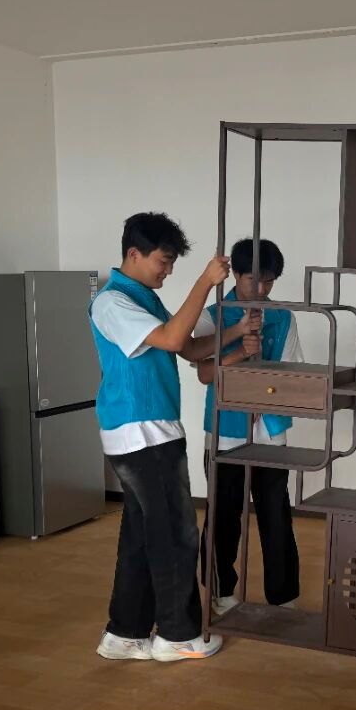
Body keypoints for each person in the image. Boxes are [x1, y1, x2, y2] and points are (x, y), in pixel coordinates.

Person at [90, 212, 229, 663]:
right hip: (142, 433)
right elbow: (172, 339)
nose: (167, 271)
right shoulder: (112, 302)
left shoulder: (142, 298)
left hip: (149, 431)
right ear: (134, 254)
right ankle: (177, 635)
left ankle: (125, 633)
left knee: (141, 535)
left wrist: (234, 334)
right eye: (163, 262)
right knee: (175, 534)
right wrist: (205, 282)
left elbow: (187, 346)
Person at [194, 238, 305, 615]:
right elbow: (205, 374)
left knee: (276, 516)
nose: (261, 289)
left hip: (270, 431)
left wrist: (264, 397)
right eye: (253, 280)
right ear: (236, 275)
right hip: (224, 432)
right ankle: (221, 590)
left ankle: (283, 596)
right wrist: (241, 350)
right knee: (223, 517)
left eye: (269, 281)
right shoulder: (214, 316)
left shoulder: (284, 318)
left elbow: (291, 373)